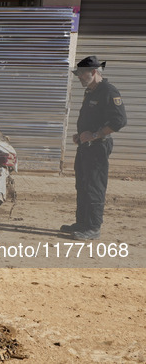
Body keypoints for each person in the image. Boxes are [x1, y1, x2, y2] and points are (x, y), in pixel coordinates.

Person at [60, 56, 127, 240]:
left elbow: (120, 121)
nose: (79, 77)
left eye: (82, 73)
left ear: (94, 72)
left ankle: (93, 227)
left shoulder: (108, 91)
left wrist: (95, 134)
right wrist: (80, 134)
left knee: (94, 187)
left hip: (98, 147)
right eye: (78, 74)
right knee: (81, 184)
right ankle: (82, 223)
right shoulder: (90, 91)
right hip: (85, 147)